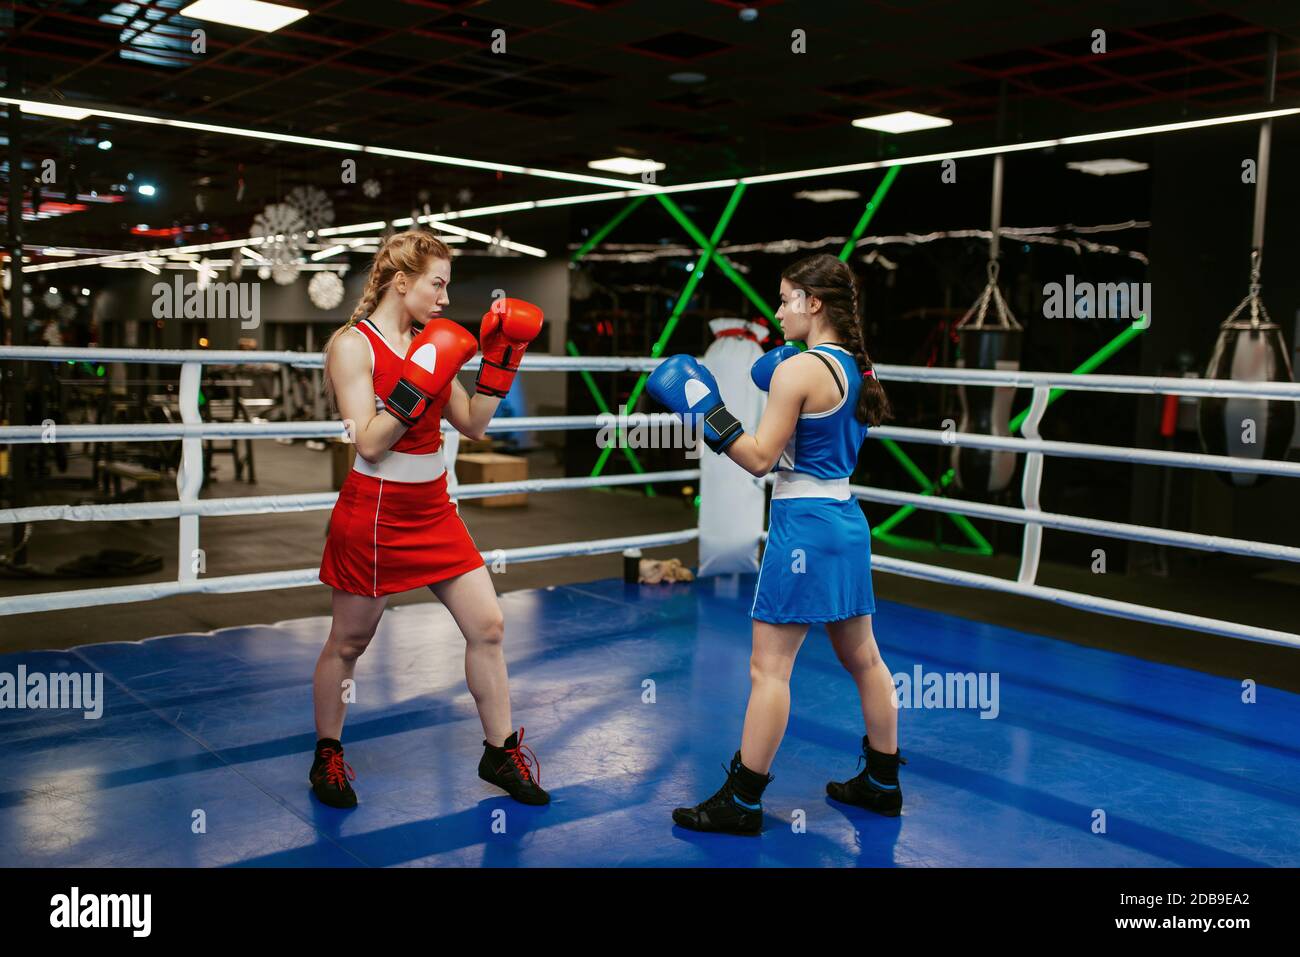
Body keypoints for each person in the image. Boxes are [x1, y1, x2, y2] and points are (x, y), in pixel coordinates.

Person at [648, 253, 903, 835]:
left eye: (787, 298)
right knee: (865, 659)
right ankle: (884, 782)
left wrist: (707, 411)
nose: (778, 309)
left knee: (769, 669)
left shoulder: (798, 372)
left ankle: (741, 801)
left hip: (804, 526)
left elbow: (760, 459)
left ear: (815, 304)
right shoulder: (855, 367)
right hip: (846, 521)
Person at [313, 229, 549, 809]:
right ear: (401, 282)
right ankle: (327, 755)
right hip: (375, 514)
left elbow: (473, 423)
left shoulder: (433, 341)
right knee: (348, 643)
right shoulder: (353, 345)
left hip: (434, 511)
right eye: (436, 285)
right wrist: (419, 380)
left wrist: (502, 359)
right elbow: (368, 443)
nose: (445, 299)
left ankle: (499, 751)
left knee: (488, 625)